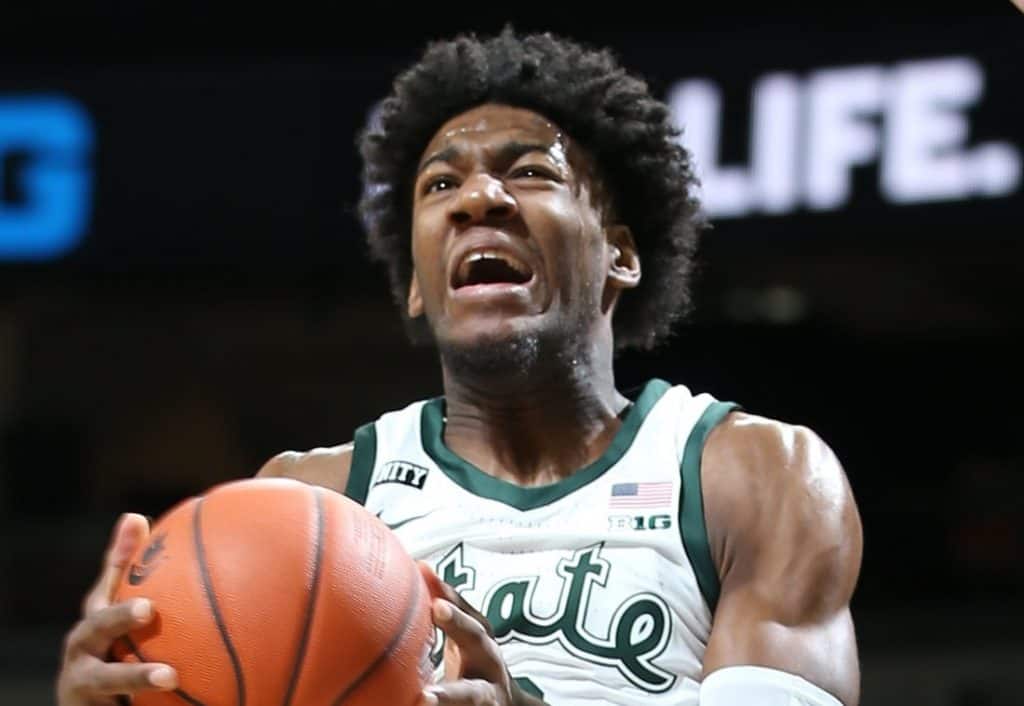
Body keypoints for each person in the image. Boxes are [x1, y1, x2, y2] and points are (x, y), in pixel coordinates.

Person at [56, 28, 863, 706]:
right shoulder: (314, 499)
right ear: (416, 282)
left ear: (620, 255)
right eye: (440, 183)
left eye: (531, 172)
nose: (478, 198)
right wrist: (133, 685)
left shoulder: (752, 474)